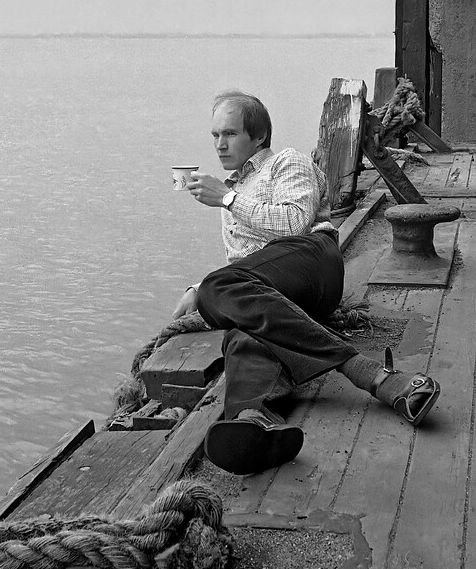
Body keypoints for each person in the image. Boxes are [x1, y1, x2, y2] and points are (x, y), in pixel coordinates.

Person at [172, 90, 440, 475]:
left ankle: (362, 371)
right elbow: (248, 268)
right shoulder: (232, 190)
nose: (219, 144)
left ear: (259, 136)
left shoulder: (286, 162)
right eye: (215, 135)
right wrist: (198, 289)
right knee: (246, 331)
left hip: (315, 261)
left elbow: (294, 223)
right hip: (280, 292)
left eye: (229, 134)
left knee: (220, 290)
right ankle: (254, 421)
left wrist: (228, 199)